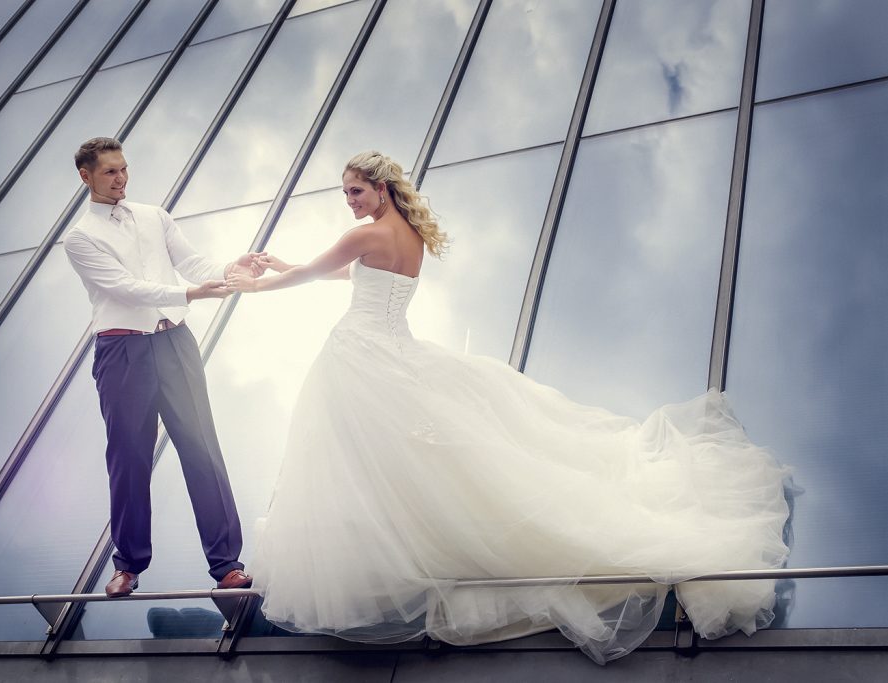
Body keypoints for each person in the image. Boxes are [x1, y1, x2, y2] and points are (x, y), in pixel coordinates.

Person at [223, 150, 793, 664]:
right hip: (392, 354)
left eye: (355, 191)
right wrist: (281, 267)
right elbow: (352, 275)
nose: (350, 201)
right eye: (345, 193)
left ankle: (405, 564)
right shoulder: (407, 237)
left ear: (381, 188)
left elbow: (314, 274)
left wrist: (251, 284)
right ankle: (412, 555)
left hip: (361, 358)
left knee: (360, 464)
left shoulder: (366, 235)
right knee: (394, 464)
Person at [64, 137, 255, 598]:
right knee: (128, 459)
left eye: (124, 169)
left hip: (175, 344)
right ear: (86, 177)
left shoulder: (154, 216)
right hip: (121, 352)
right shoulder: (79, 238)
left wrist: (231, 267)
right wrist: (190, 295)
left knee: (202, 448)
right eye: (110, 172)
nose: (121, 178)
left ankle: (227, 565)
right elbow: (126, 288)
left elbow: (192, 262)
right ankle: (128, 565)